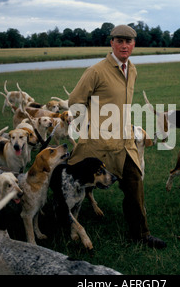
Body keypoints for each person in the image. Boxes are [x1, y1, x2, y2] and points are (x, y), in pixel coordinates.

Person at [67, 24, 166, 249]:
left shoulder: (132, 69)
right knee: (74, 182)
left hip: (124, 141)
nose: (124, 45)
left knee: (134, 183)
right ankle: (61, 220)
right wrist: (89, 125)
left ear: (133, 45)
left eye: (128, 41)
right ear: (111, 43)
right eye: (119, 41)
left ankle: (141, 234)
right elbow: (75, 101)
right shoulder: (96, 71)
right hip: (98, 144)